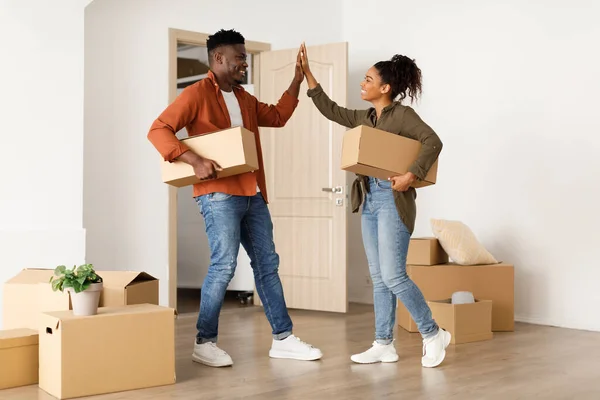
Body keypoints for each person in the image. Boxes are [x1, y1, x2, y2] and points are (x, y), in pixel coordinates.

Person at [147, 30, 322, 368]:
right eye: (240, 57)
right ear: (218, 59)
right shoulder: (196, 93)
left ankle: (283, 339)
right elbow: (158, 130)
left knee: (267, 265)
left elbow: (279, 116)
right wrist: (194, 160)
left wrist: (297, 79)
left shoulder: (243, 97)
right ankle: (205, 341)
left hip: (253, 193)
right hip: (218, 195)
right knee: (224, 265)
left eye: (245, 56)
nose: (245, 62)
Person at [299, 43, 450, 368]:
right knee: (379, 278)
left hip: (392, 200)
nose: (362, 84)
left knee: (394, 275)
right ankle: (384, 343)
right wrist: (308, 76)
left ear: (385, 88)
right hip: (368, 198)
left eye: (368, 80)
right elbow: (332, 110)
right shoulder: (365, 117)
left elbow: (432, 141)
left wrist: (411, 175)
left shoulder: (403, 116)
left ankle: (433, 332)